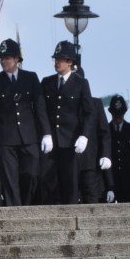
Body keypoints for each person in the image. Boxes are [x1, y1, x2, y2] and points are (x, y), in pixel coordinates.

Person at [0, 38, 51, 207]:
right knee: (9, 180)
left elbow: (40, 107)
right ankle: (14, 212)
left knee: (30, 175)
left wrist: (46, 133)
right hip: (5, 138)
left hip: (29, 136)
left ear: (17, 59)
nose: (3, 61)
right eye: (1, 58)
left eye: (7, 58)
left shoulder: (31, 78)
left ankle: (24, 207)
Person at [40, 41, 95, 204]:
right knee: (47, 183)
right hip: (51, 142)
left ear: (70, 62)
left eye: (60, 59)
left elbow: (89, 113)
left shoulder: (81, 83)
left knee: (70, 185)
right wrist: (46, 133)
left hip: (70, 142)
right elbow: (41, 110)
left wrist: (84, 136)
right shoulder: (47, 82)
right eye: (56, 59)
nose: (56, 62)